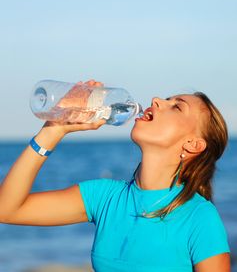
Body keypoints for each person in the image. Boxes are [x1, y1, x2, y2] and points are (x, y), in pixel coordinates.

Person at [0, 79, 231, 272]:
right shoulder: (104, 197)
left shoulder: (200, 218)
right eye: (167, 99)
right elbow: (7, 210)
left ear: (192, 144)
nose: (157, 100)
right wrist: (54, 129)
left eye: (177, 107)